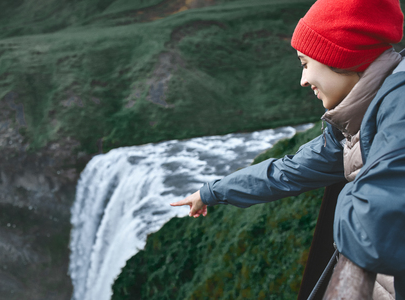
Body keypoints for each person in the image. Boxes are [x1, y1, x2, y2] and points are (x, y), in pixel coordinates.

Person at [170, 0, 405, 298]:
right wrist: (211, 192)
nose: (303, 80)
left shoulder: (399, 113)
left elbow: (373, 224)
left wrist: (355, 183)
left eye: (306, 64)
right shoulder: (356, 121)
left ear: (341, 57)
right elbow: (288, 171)